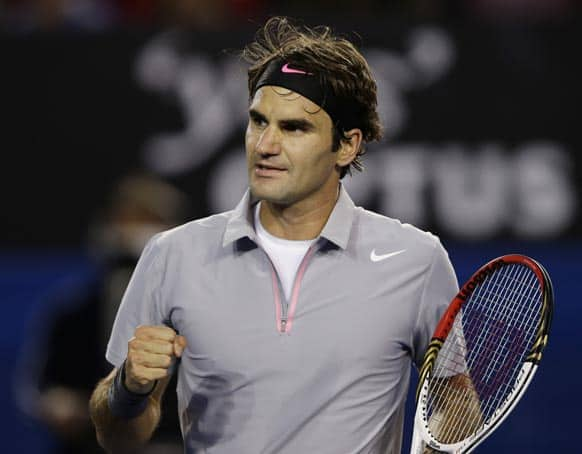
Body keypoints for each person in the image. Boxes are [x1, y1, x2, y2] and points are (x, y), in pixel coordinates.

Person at [89, 17, 458, 454]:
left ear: (347, 145)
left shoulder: (416, 260)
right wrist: (128, 389)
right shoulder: (172, 255)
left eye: (294, 128)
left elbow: (454, 402)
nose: (265, 144)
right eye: (258, 121)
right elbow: (114, 437)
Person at [15, 173, 188, 454]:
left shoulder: (194, 310)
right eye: (123, 218)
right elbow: (41, 386)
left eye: (144, 217)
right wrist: (56, 403)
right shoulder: (73, 310)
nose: (130, 229)